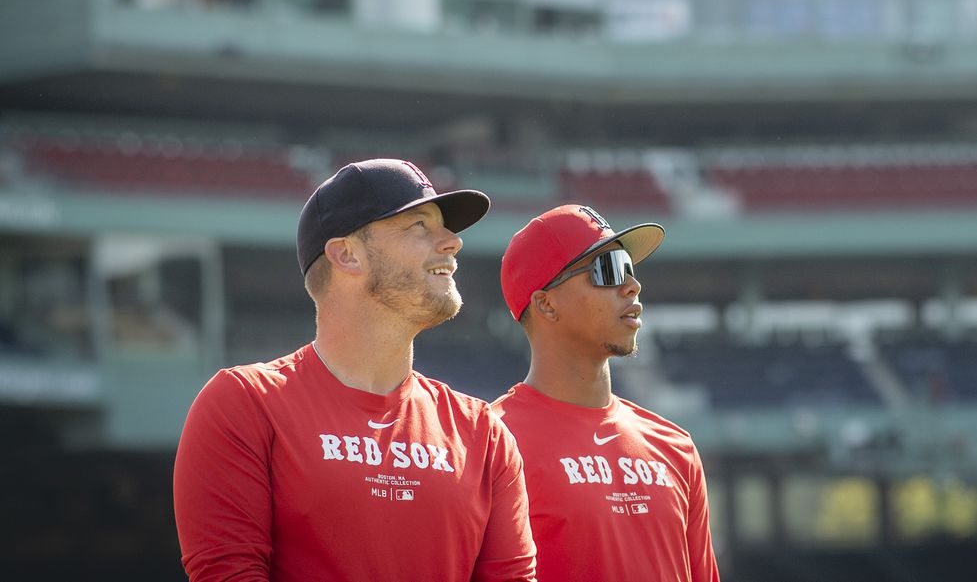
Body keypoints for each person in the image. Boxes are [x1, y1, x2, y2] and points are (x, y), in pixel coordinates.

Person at [173, 158, 536, 582]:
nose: (452, 242)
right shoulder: (245, 403)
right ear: (346, 255)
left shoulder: (484, 433)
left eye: (445, 227)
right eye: (419, 225)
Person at [492, 204, 720, 582]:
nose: (632, 286)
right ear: (546, 304)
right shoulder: (490, 443)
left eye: (629, 269)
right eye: (608, 270)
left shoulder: (675, 447)